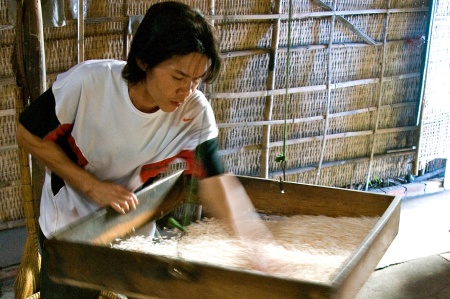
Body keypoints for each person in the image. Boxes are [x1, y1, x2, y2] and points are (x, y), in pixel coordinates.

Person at [16, 2, 224, 298]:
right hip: (69, 228)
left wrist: (250, 242)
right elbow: (27, 135)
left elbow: (216, 183)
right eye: (179, 77)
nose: (188, 91)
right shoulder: (89, 84)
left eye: (196, 80)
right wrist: (93, 187)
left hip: (131, 234)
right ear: (143, 61)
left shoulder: (194, 112)